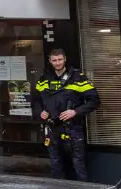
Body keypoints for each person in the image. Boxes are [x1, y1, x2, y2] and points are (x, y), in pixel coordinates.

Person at [31, 49, 99, 181]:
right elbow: (35, 101)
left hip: (72, 129)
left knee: (78, 166)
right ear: (50, 61)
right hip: (52, 129)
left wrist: (75, 112)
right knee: (56, 166)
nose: (57, 63)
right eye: (54, 60)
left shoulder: (78, 77)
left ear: (65, 59)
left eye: (60, 60)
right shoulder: (44, 79)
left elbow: (94, 101)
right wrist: (40, 112)